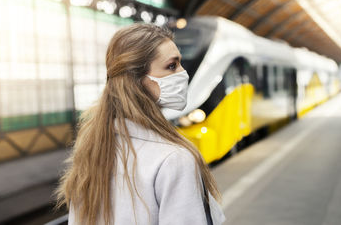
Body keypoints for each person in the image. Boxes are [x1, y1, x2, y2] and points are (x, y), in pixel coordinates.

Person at [54, 23, 225, 225]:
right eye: (172, 65)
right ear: (137, 80)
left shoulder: (92, 151)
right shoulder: (173, 159)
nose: (183, 73)